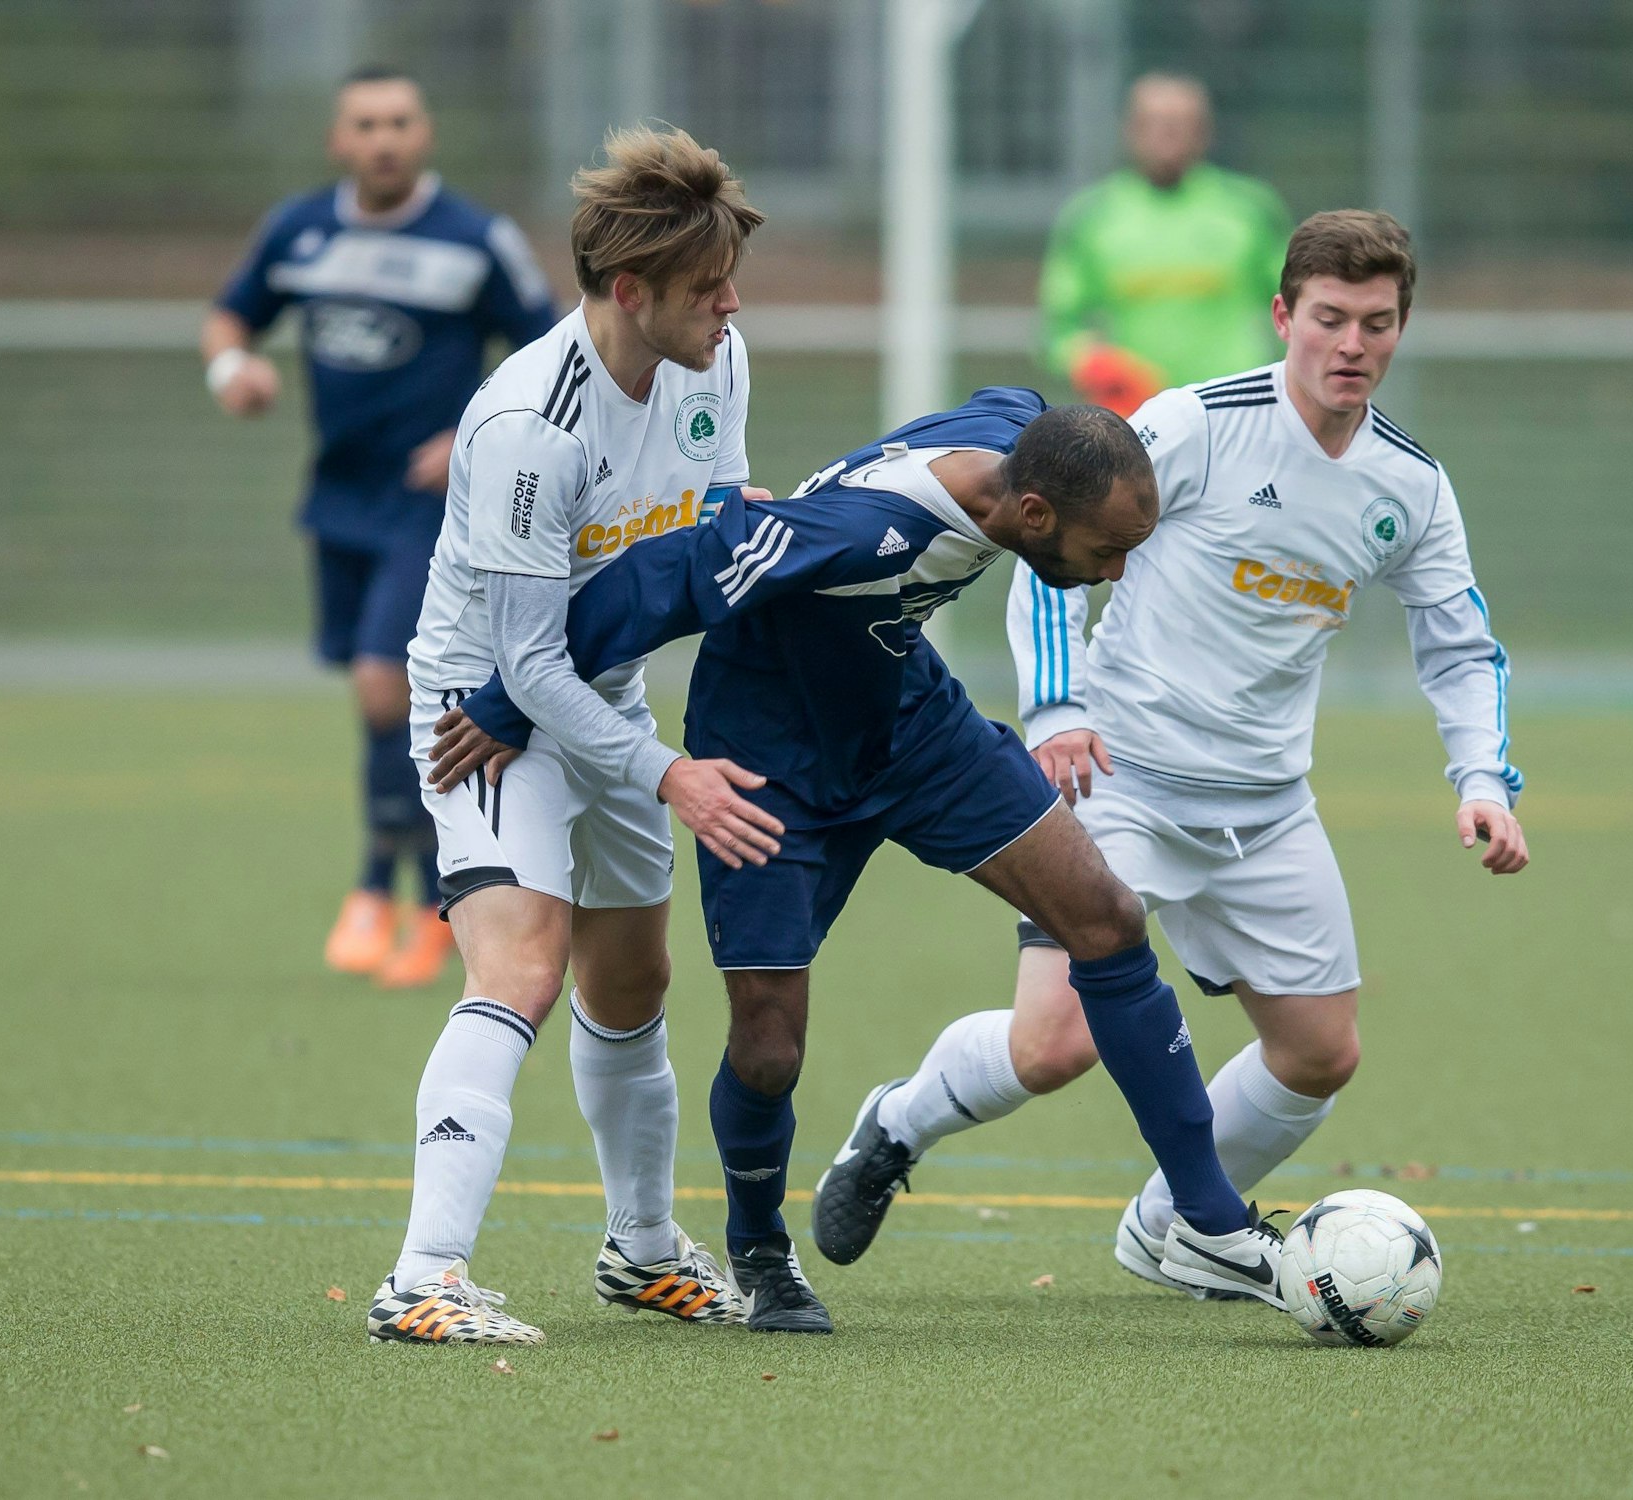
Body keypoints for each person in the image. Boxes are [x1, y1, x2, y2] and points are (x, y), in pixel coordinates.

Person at [432, 393, 1290, 1334]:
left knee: (1109, 921)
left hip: (912, 727)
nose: (1120, 570)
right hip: (771, 763)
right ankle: (758, 1250)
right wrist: (507, 705)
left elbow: (1030, 406)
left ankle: (1207, 1220)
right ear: (1034, 514)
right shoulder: (860, 533)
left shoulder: (1020, 439)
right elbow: (666, 577)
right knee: (769, 1046)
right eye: (1109, 549)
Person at [813, 211, 1531, 1290]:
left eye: (1375, 324)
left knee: (1318, 1055)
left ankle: (1171, 1226)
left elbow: (1457, 641)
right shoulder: (1194, 425)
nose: (1350, 345)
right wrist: (1056, 714)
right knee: (1050, 1046)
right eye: (1328, 318)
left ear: (1400, 328)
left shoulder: (1408, 486)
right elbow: (1042, 545)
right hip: (1121, 781)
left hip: (1266, 805)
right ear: (1283, 315)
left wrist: (1480, 779)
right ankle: (896, 1123)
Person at [364, 125, 775, 1346]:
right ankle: (422, 1278)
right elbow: (525, 665)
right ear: (629, 290)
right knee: (524, 967)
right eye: (707, 290)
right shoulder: (527, 430)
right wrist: (674, 781)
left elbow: (712, 539)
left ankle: (640, 1249)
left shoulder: (718, 361)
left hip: (604, 697)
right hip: (482, 721)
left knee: (633, 979)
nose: (731, 305)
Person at [203, 66, 558, 988]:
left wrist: (470, 433)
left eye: (400, 120)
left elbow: (551, 350)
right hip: (339, 500)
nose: (385, 138)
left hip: (434, 510)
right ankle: (407, 891)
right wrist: (232, 370)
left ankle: (396, 892)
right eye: (366, 124)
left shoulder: (475, 240)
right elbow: (229, 316)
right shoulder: (300, 230)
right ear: (339, 140)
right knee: (374, 696)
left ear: (425, 132)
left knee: (380, 682)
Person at [1041, 73, 1289, 417]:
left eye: (1180, 124)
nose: (1167, 134)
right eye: (1153, 123)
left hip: (1236, 411)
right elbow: (1060, 328)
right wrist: (1096, 365)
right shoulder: (1092, 217)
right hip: (1136, 417)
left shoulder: (1250, 210)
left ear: (1206, 131)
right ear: (1129, 130)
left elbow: (1297, 306)